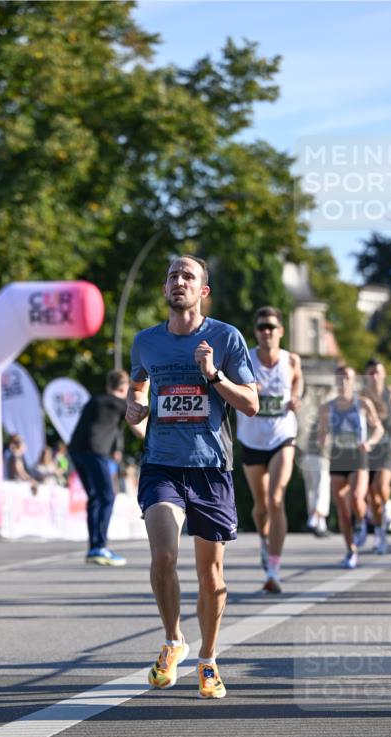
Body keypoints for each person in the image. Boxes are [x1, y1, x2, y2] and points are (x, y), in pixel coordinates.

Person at [126, 254, 258, 699]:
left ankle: (208, 659)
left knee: (212, 577)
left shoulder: (225, 337)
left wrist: (213, 375)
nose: (178, 281)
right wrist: (134, 407)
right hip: (161, 464)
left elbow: (251, 404)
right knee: (164, 556)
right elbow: (138, 388)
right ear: (165, 289)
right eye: (172, 276)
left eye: (188, 276)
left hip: (211, 468)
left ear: (203, 291)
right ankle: (172, 641)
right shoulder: (145, 342)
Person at [235, 306, 303, 593]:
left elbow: (297, 379)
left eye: (271, 327)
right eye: (262, 327)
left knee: (276, 500)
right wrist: (249, 390)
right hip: (252, 440)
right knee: (261, 508)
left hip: (282, 437)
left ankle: (273, 569)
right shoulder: (245, 359)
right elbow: (229, 387)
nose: (267, 332)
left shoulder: (291, 360)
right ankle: (264, 541)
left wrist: (296, 397)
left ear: (281, 331)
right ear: (256, 332)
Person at [69, 369, 144, 567]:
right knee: (107, 497)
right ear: (124, 387)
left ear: (108, 385)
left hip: (76, 450)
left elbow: (100, 425)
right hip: (95, 451)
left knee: (94, 497)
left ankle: (94, 547)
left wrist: (113, 449)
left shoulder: (95, 400)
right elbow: (139, 432)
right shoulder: (119, 403)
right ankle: (99, 547)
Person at [318, 365, 383, 569]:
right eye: (340, 377)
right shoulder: (326, 407)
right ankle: (350, 550)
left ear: (353, 380)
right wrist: (323, 440)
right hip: (338, 458)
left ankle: (362, 521)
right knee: (343, 511)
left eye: (347, 377)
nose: (343, 381)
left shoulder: (362, 403)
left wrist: (370, 442)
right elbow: (321, 434)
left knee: (356, 497)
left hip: (358, 456)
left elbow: (378, 429)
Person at [360, 359, 391, 555]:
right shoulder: (362, 395)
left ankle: (388, 504)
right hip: (369, 446)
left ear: (384, 374)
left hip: (388, 445)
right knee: (371, 494)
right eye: (371, 372)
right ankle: (380, 534)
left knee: (380, 486)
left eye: (377, 372)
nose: (374, 376)